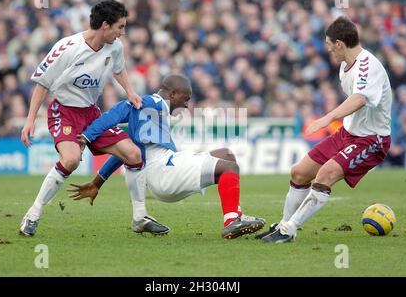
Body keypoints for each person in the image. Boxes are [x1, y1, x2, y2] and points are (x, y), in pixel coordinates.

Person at [69, 74, 266, 239]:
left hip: (163, 170)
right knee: (230, 168)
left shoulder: (150, 116)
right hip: (165, 170)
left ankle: (235, 215)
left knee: (227, 155)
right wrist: (87, 136)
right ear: (172, 94)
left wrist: (98, 181)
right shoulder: (152, 102)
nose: (187, 104)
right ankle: (232, 221)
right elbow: (116, 112)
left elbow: (125, 154)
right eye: (186, 98)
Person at [256, 16, 392, 243]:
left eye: (330, 46)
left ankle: (289, 230)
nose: (329, 50)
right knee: (299, 172)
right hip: (348, 134)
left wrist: (327, 118)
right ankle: (283, 224)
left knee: (325, 174)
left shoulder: (368, 65)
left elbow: (359, 99)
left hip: (371, 139)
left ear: (339, 43)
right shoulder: (344, 67)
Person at [19, 0, 143, 236]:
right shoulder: (67, 47)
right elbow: (42, 84)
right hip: (64, 111)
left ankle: (140, 218)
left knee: (134, 153)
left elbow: (118, 69)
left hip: (91, 113)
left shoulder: (114, 46)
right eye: (120, 27)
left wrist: (130, 92)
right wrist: (30, 120)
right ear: (105, 25)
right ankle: (33, 213)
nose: (123, 33)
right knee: (71, 160)